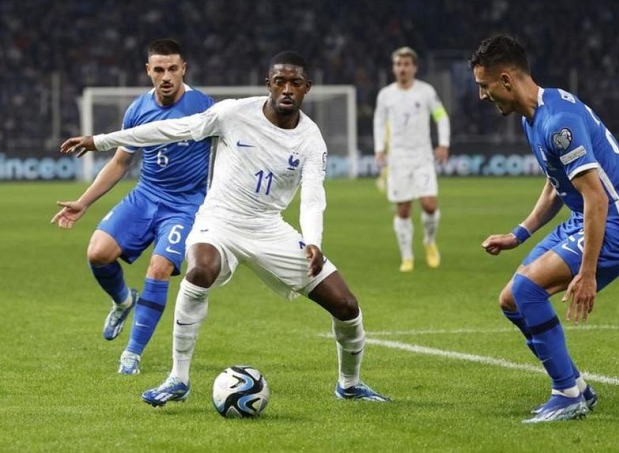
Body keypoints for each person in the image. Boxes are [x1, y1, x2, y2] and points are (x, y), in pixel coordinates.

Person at [59, 51, 390, 405]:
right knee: (200, 269)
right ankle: (177, 379)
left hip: (268, 228)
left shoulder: (311, 139)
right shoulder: (234, 114)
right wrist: (102, 140)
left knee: (346, 305)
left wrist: (313, 241)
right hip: (218, 220)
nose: (287, 89)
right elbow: (171, 129)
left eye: (295, 82)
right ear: (269, 84)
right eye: (280, 81)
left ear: (307, 88)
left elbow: (312, 197)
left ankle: (349, 385)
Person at [469, 34, 619, 423]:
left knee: (526, 288)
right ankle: (577, 387)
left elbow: (597, 198)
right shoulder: (535, 114)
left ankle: (567, 392)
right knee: (512, 299)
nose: (483, 96)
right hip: (585, 217)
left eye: (484, 87)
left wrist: (587, 273)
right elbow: (557, 182)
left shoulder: (558, 123)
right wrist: (518, 233)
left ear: (506, 80)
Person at [51, 39, 214, 375]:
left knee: (159, 269)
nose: (166, 76)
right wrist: (83, 202)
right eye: (159, 69)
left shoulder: (204, 106)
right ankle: (124, 300)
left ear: (184, 68)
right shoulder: (138, 110)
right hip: (146, 196)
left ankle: (132, 354)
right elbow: (121, 162)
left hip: (185, 206)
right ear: (148, 71)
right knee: (97, 253)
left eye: (172, 68)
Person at [373, 46, 450, 272]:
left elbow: (441, 116)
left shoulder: (426, 92)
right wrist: (379, 149)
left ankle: (429, 241)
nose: (402, 68)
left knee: (429, 204)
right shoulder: (386, 95)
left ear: (414, 67)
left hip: (423, 157)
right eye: (398, 64)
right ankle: (407, 256)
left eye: (406, 64)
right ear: (394, 68)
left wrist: (443, 143)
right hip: (397, 159)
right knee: (403, 209)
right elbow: (378, 123)